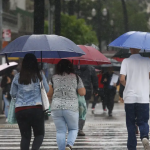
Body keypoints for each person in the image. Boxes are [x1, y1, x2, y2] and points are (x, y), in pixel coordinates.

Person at [10, 53, 49, 150]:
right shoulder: (39, 75)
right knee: (39, 135)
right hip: (36, 109)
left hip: (20, 110)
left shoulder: (17, 76)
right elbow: (47, 89)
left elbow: (13, 93)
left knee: (25, 137)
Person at [48, 59, 86, 150]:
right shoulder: (76, 77)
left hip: (56, 107)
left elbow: (49, 93)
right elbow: (82, 92)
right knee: (73, 129)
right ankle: (69, 145)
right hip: (71, 107)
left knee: (60, 131)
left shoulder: (53, 78)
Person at [120, 48, 150, 150]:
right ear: (140, 48)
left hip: (129, 97)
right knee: (143, 121)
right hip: (143, 97)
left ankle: (132, 147)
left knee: (130, 123)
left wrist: (127, 85)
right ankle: (144, 136)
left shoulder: (126, 61)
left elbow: (122, 79)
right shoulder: (147, 60)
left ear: (130, 49)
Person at [75, 65, 98, 136]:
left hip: (74, 91)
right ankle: (80, 128)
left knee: (74, 110)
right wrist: (95, 90)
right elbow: (94, 80)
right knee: (83, 111)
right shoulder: (91, 68)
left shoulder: (73, 67)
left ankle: (74, 127)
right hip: (86, 92)